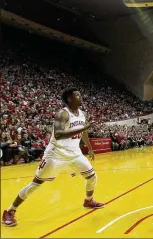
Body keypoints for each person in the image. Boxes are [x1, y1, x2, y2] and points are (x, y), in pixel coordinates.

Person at [2, 88, 104, 227]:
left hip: (75, 153)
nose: (80, 97)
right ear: (69, 99)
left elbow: (84, 132)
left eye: (80, 94)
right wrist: (82, 128)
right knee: (36, 184)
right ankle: (9, 211)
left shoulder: (83, 114)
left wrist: (90, 149)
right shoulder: (62, 114)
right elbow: (59, 134)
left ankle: (88, 200)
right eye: (77, 95)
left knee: (92, 177)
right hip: (56, 154)